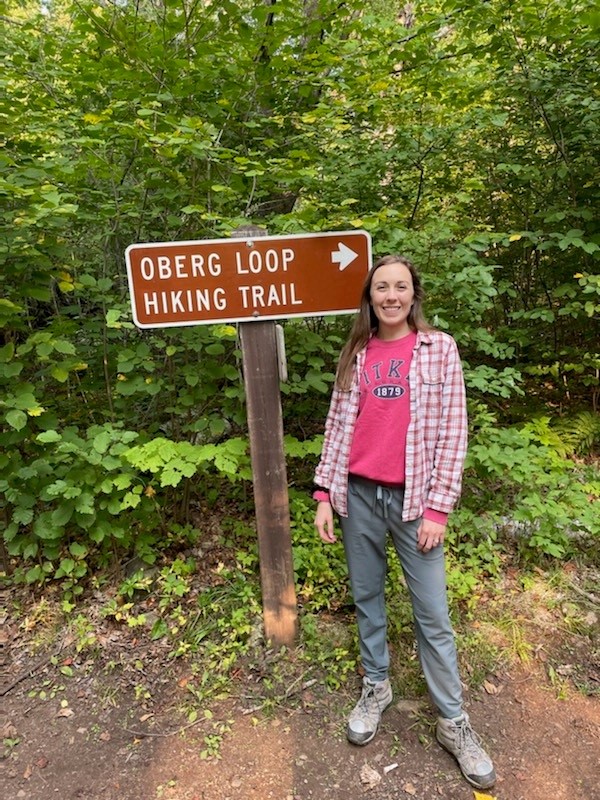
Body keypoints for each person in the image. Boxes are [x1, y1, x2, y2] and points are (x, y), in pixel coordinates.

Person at [313, 254, 496, 790]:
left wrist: (439, 507)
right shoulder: (357, 352)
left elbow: (454, 431)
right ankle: (377, 685)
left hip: (415, 502)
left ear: (413, 294)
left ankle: (453, 722)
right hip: (358, 497)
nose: (390, 295)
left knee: (432, 615)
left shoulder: (438, 349)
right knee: (367, 598)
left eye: (400, 287)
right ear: (369, 298)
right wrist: (325, 491)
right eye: (380, 288)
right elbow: (336, 425)